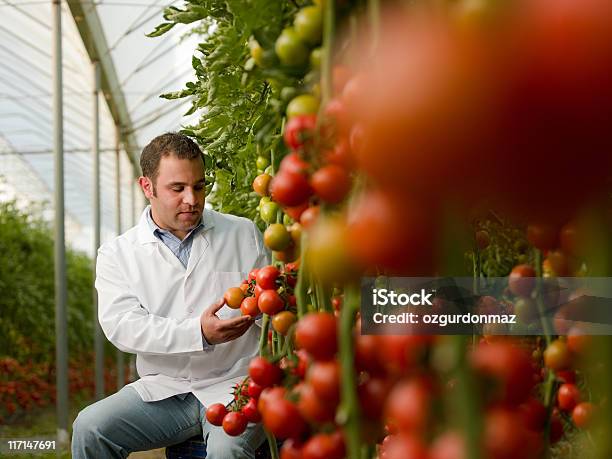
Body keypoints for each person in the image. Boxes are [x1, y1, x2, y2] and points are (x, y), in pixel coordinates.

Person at [72, 132, 269, 458]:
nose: (191, 199)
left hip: (235, 384)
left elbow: (271, 311)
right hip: (166, 391)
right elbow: (123, 326)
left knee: (226, 453)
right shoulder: (117, 253)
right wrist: (198, 333)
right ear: (147, 187)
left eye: (199, 186)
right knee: (90, 429)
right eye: (177, 189)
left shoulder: (242, 233)